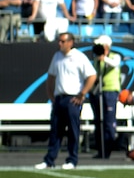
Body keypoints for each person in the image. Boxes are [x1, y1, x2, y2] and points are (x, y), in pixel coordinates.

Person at [35, 31, 97, 170]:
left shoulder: (79, 57)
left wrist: (82, 94)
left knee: (73, 132)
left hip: (72, 99)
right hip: (59, 98)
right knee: (56, 131)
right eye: (59, 41)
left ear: (70, 42)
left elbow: (92, 76)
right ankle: (49, 160)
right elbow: (51, 77)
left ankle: (72, 160)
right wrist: (51, 96)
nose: (60, 44)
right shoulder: (57, 56)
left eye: (63, 41)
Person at [88, 35, 122, 159]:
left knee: (108, 121)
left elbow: (114, 64)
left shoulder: (114, 56)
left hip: (110, 92)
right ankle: (101, 150)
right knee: (98, 122)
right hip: (98, 92)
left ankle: (109, 148)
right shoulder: (96, 60)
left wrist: (104, 58)